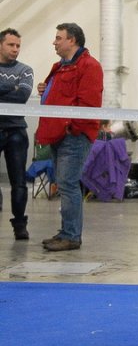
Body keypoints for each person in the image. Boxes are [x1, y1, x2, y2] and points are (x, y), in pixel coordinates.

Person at [35, 23, 103, 251]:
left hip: (73, 135)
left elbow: (89, 104)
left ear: (71, 40)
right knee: (64, 184)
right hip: (58, 134)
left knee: (68, 184)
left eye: (58, 38)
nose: (55, 42)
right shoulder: (60, 67)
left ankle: (72, 236)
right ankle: (66, 232)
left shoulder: (89, 66)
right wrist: (46, 89)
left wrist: (70, 129)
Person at [0, 28, 34, 240]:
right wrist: (10, 87)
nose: (15, 49)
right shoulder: (18, 74)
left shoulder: (25, 69)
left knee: (19, 182)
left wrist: (11, 90)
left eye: (18, 46)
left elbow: (22, 95)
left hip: (16, 130)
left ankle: (19, 223)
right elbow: (15, 91)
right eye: (11, 45)